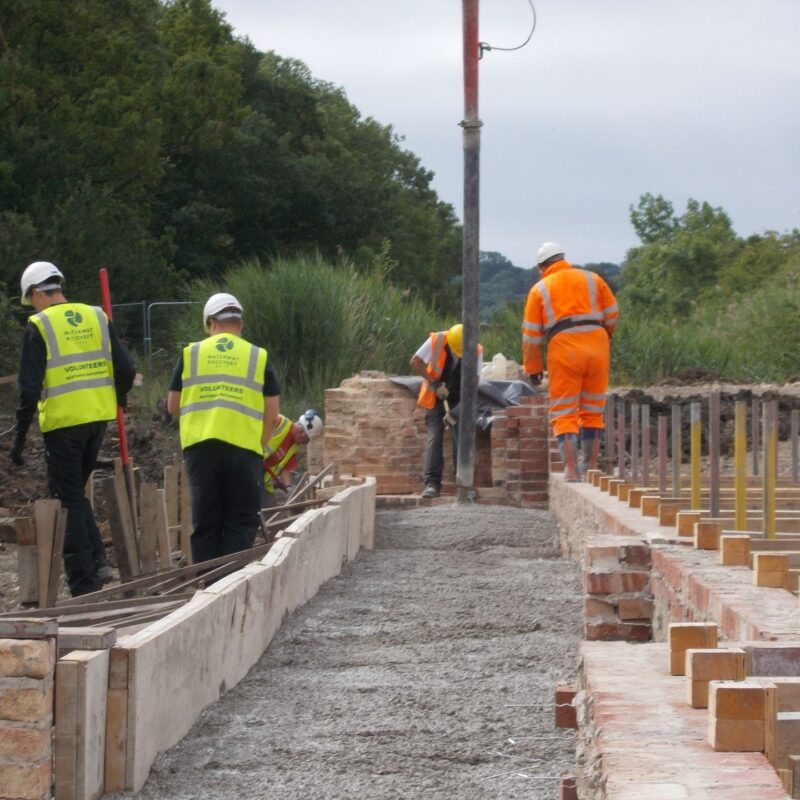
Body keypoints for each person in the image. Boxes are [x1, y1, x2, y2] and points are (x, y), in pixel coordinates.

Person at [12, 261, 136, 596]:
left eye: (31, 300)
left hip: (63, 424)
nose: (33, 306)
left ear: (37, 293)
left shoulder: (38, 326)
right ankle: (98, 562)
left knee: (67, 499)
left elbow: (28, 390)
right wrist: (119, 398)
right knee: (75, 497)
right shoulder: (96, 315)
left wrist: (19, 440)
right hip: (97, 420)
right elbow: (125, 367)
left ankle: (84, 581)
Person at [166, 292, 280, 563]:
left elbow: (173, 406)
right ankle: (234, 585)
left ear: (211, 323)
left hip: (201, 449)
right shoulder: (258, 356)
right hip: (244, 452)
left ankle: (207, 587)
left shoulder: (191, 353)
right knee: (240, 523)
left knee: (206, 523)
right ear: (240, 324)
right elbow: (272, 413)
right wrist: (259, 446)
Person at [522, 242, 619, 480]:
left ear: (542, 267)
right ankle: (593, 468)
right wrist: (605, 336)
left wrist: (534, 368)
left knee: (564, 413)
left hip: (564, 348)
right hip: (598, 344)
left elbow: (531, 336)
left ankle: (571, 471)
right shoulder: (593, 278)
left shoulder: (540, 288)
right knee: (593, 410)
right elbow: (613, 312)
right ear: (564, 259)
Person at [410, 323, 482, 499]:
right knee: (435, 436)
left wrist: (456, 412)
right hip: (436, 396)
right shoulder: (436, 341)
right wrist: (434, 384)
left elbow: (473, 386)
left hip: (459, 397)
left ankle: (463, 486)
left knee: (462, 438)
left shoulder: (476, 350)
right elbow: (415, 362)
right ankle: (432, 484)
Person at [263, 409, 324, 504]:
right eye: (305, 440)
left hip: (264, 484)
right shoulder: (279, 422)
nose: (304, 444)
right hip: (249, 468)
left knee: (271, 513)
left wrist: (289, 487)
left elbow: (285, 469)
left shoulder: (293, 448)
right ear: (301, 433)